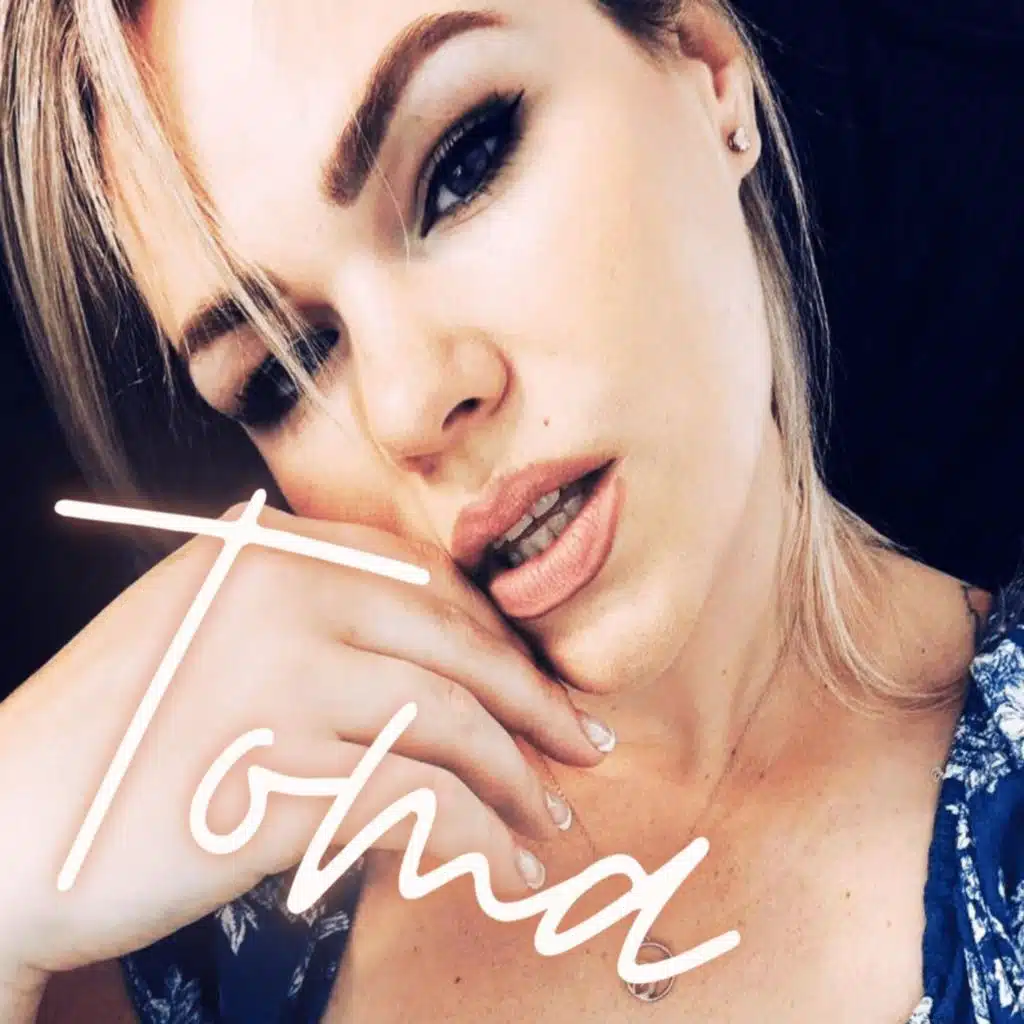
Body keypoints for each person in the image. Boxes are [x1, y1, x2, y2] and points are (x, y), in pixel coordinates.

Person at [0, 0, 1021, 1021]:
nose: (409, 406)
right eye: (284, 367)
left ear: (705, 62)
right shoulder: (189, 907)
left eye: (464, 165)